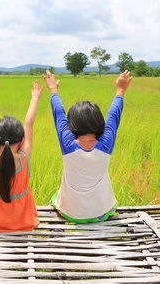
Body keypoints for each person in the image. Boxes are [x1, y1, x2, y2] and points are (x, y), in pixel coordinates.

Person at [43, 69, 132, 223]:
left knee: (56, 196)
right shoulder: (106, 144)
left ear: (72, 124)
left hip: (71, 213)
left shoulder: (68, 144)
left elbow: (59, 113)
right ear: (99, 122)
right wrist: (120, 90)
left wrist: (53, 89)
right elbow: (114, 115)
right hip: (101, 213)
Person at [0, 71, 43, 231]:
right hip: (22, 224)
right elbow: (29, 124)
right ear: (22, 140)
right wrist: (35, 98)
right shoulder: (24, 159)